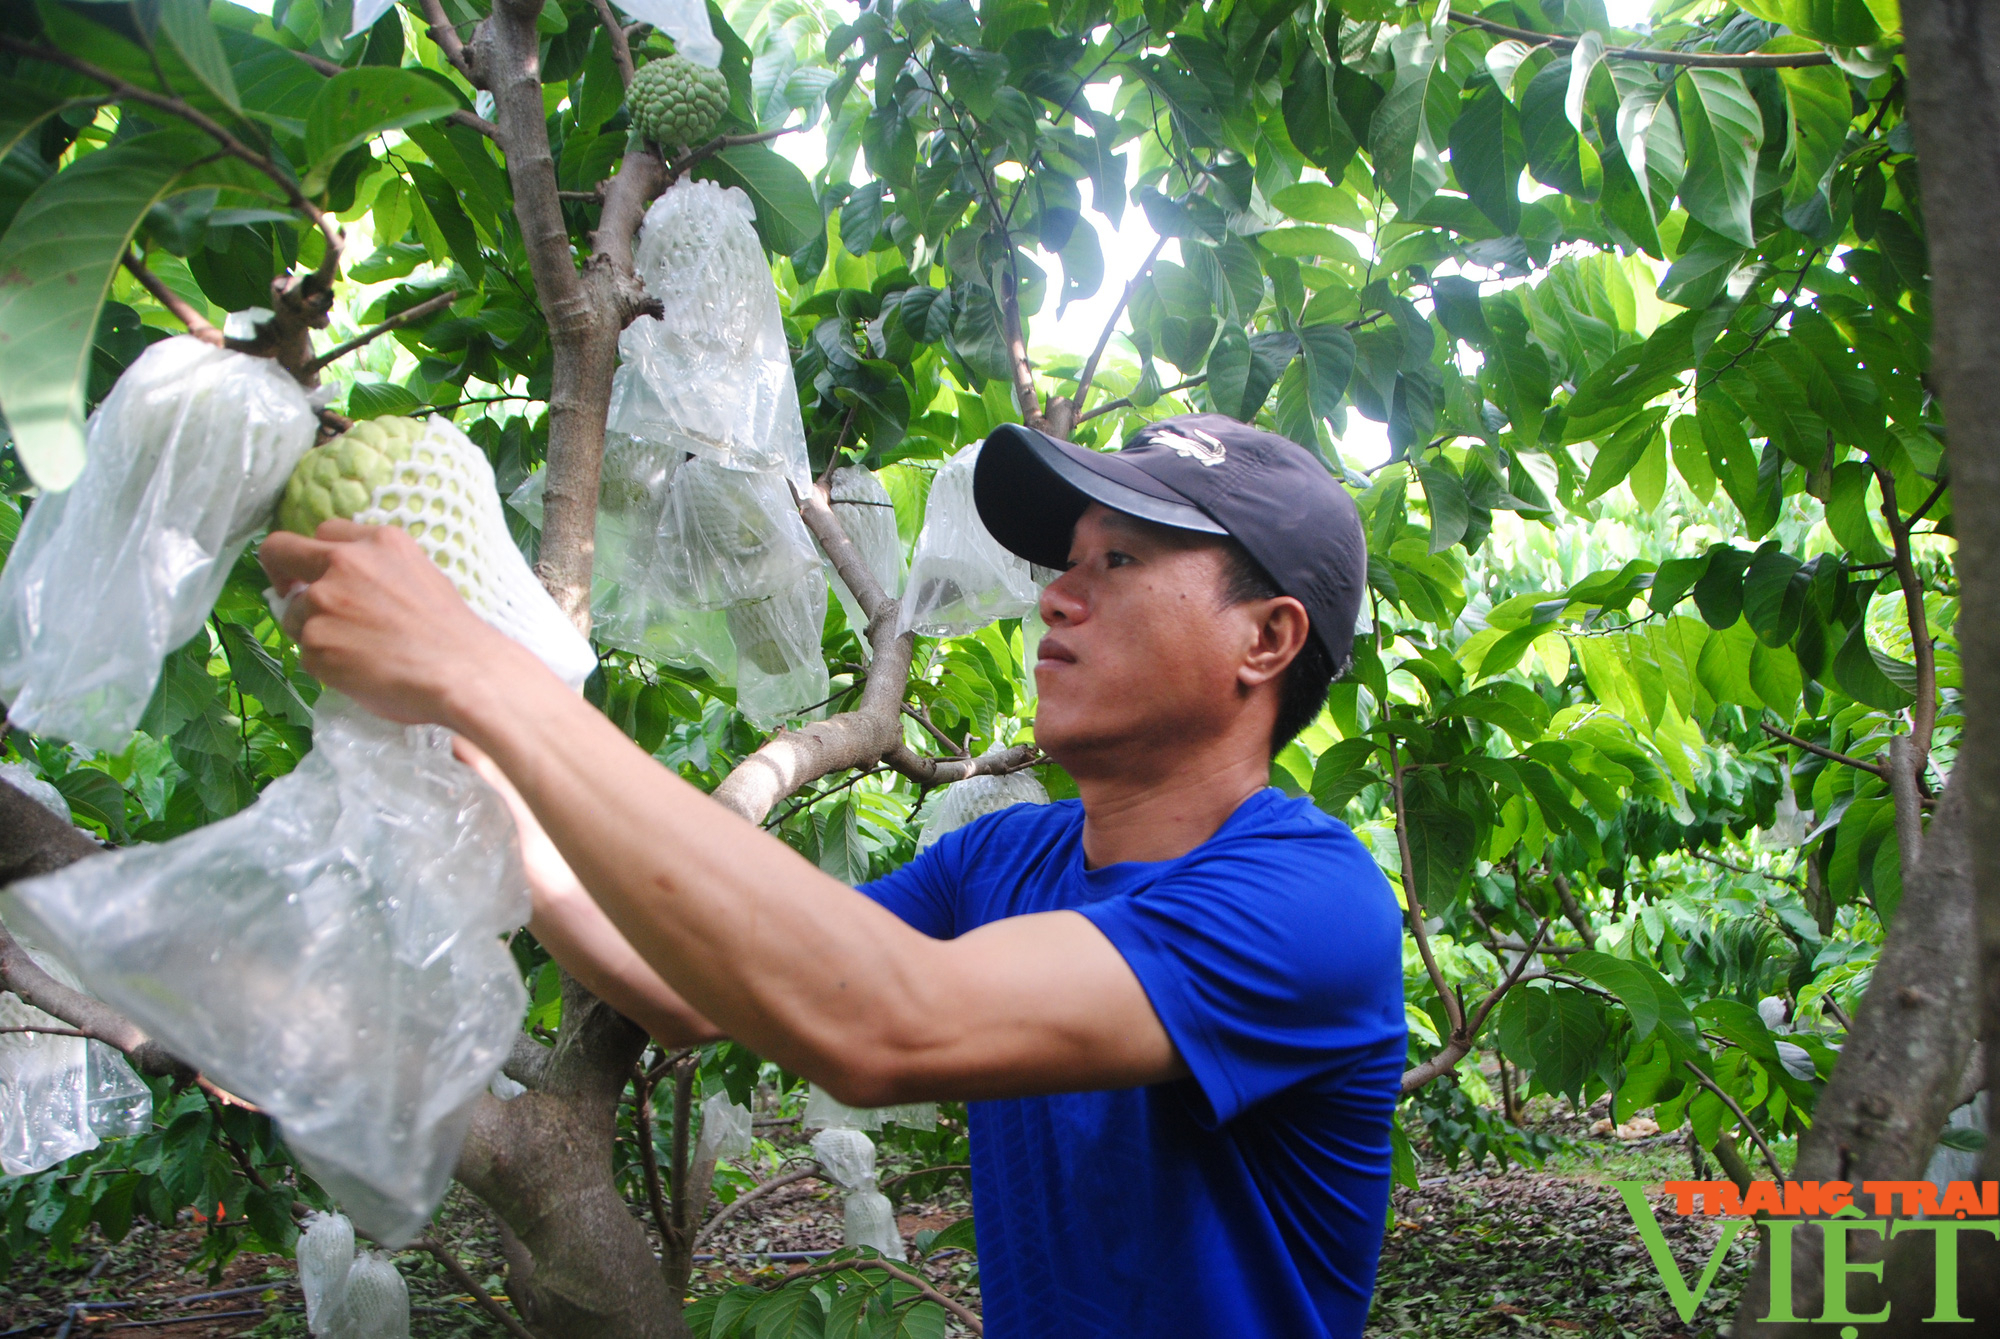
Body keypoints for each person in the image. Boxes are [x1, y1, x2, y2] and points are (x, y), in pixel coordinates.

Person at [258, 412, 1407, 1338]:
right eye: (1064, 560)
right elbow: (685, 989)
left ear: (1265, 639)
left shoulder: (1308, 904)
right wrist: (497, 773)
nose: (1056, 594)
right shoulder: (1005, 858)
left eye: (1117, 561)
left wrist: (481, 676)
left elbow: (883, 1025)